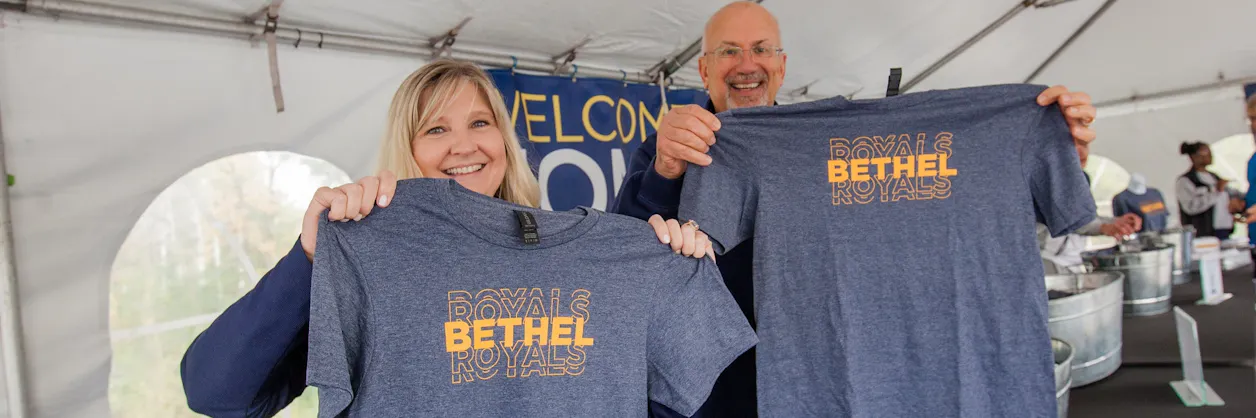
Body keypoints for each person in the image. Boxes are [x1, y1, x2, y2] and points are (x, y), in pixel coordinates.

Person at [610, 2, 1102, 416]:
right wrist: (667, 170)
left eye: (761, 49)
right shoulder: (666, 148)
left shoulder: (824, 143)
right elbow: (625, 260)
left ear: (782, 65)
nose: (746, 63)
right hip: (719, 386)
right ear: (703, 68)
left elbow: (988, 213)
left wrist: (1058, 153)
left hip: (848, 373)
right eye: (729, 51)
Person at [179, 59, 714, 417]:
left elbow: (663, 399)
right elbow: (217, 392)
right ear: (406, 148)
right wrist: (309, 258)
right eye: (436, 129)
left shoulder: (579, 258)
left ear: (503, 139)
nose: (464, 145)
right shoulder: (371, 260)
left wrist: (670, 264)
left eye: (480, 123)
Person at [1176, 141, 1240, 241]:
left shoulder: (1215, 177)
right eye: (1205, 152)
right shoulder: (1185, 181)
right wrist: (1215, 192)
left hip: (1224, 230)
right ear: (1194, 157)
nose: (1210, 155)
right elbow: (1190, 207)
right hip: (1203, 234)